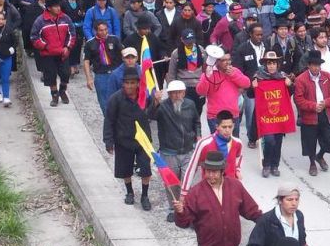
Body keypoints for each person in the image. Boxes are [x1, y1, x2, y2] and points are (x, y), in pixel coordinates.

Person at [174, 150, 263, 246]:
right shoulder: (195, 192)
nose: (211, 175)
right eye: (208, 171)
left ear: (222, 171)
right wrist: (180, 212)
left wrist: (265, 221)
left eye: (215, 172)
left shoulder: (235, 186)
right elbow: (184, 222)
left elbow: (250, 209)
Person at [147, 80, 200, 222]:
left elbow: (196, 121)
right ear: (169, 94)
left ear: (184, 93)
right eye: (173, 93)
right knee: (171, 183)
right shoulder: (163, 107)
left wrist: (198, 135)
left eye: (179, 92)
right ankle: (173, 208)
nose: (177, 95)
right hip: (169, 152)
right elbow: (149, 116)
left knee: (187, 182)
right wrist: (155, 102)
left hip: (188, 150)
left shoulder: (190, 104)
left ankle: (186, 208)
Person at [102, 68, 153, 211]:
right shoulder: (115, 99)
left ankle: (145, 195)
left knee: (145, 169)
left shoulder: (145, 98)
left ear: (138, 83)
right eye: (127, 83)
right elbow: (109, 120)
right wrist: (108, 141)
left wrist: (156, 103)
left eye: (132, 83)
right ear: (123, 84)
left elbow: (153, 115)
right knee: (125, 169)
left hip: (143, 140)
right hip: (123, 139)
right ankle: (129, 192)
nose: (129, 86)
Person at [294, 51, 330, 176]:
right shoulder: (301, 79)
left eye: (318, 65)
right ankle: (312, 163)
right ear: (308, 65)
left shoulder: (327, 76)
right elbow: (298, 99)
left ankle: (319, 156)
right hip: (309, 115)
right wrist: (313, 106)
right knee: (310, 140)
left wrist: (325, 103)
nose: (316, 68)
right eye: (313, 65)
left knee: (329, 139)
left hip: (325, 113)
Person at [180, 110, 243, 197]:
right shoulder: (204, 143)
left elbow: (238, 158)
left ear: (234, 126)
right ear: (217, 126)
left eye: (230, 127)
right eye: (224, 127)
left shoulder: (238, 143)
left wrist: (238, 170)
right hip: (209, 189)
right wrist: (184, 192)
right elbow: (192, 167)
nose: (227, 130)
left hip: (230, 189)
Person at [246, 183, 314, 246]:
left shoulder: (299, 216)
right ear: (280, 200)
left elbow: (301, 238)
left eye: (296, 199)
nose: (294, 203)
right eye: (289, 199)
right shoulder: (267, 220)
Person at [253, 51, 293, 178]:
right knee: (269, 140)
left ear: (278, 65)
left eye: (274, 63)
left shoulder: (282, 77)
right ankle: (266, 165)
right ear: (265, 64)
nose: (271, 66)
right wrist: (252, 86)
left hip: (280, 116)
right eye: (269, 63)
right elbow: (250, 94)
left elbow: (291, 93)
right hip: (266, 117)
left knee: (278, 141)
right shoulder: (258, 77)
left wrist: (290, 84)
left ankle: (275, 165)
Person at [30, 0, 76, 107]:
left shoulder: (65, 18)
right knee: (51, 76)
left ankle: (62, 90)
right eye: (55, 7)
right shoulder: (40, 20)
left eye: (58, 6)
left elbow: (72, 34)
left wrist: (68, 47)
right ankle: (54, 96)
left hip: (63, 53)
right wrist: (45, 46)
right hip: (48, 55)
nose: (58, 8)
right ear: (49, 8)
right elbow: (34, 37)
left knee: (66, 74)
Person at [196, 45, 251, 137]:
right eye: (223, 60)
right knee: (218, 148)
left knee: (233, 147)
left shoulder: (234, 71)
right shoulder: (210, 73)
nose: (227, 62)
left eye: (229, 59)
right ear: (216, 61)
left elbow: (247, 83)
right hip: (215, 117)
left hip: (233, 115)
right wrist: (207, 77)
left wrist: (233, 75)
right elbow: (200, 91)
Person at [82, 20, 123, 114]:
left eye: (105, 29)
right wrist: (89, 78)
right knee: (103, 101)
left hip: (115, 73)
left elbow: (123, 53)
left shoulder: (114, 39)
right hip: (101, 75)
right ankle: (109, 119)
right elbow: (86, 61)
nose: (104, 32)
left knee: (119, 98)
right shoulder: (90, 44)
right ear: (95, 31)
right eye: (101, 30)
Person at [166, 29, 206, 117]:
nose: (190, 44)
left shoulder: (201, 51)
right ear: (182, 40)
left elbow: (205, 70)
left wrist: (205, 86)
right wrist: (172, 91)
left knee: (197, 112)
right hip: (183, 87)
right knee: (184, 113)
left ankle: (196, 129)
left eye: (192, 41)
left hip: (198, 86)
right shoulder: (176, 53)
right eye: (187, 41)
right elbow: (171, 73)